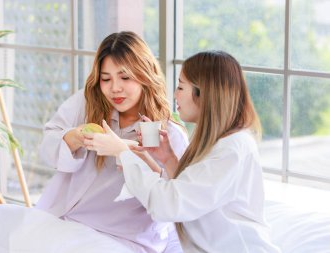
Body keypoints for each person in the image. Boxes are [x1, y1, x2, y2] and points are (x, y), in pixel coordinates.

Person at [84, 51, 282, 253]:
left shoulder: (232, 150)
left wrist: (123, 153)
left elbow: (169, 205)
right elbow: (194, 190)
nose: (175, 95)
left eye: (180, 87)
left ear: (203, 92)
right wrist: (167, 158)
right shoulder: (218, 141)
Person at [36, 31, 189, 253]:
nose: (114, 88)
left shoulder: (169, 135)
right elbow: (47, 146)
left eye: (125, 77)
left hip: (126, 238)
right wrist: (75, 137)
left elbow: (174, 198)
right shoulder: (87, 103)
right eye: (106, 79)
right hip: (70, 223)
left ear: (144, 75)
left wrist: (129, 154)